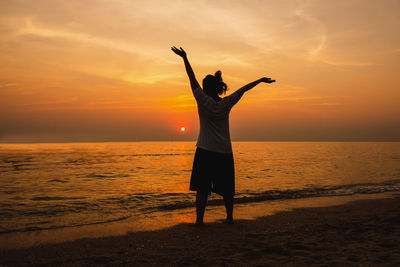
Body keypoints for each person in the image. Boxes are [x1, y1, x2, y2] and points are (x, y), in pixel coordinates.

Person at [171, 46, 275, 225]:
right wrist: (259, 80)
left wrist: (185, 58)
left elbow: (191, 77)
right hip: (224, 151)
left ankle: (199, 221)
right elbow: (243, 90)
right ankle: (229, 218)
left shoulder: (202, 100)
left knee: (202, 188)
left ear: (205, 88)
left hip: (204, 150)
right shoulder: (226, 103)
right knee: (227, 188)